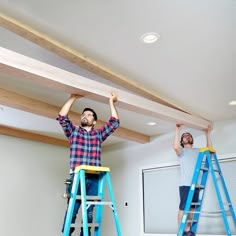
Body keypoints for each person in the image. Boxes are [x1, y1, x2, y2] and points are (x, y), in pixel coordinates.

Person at [57, 92, 120, 236]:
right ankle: (66, 234)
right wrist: (73, 98)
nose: (85, 116)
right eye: (83, 114)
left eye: (89, 115)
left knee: (89, 212)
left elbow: (114, 122)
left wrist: (111, 102)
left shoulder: (98, 135)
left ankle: (85, 234)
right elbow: (61, 117)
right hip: (77, 176)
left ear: (94, 122)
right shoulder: (73, 132)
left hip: (94, 178)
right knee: (72, 211)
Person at [173, 124, 212, 236]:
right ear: (182, 141)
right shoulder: (182, 151)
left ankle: (188, 230)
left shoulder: (198, 151)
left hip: (197, 185)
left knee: (192, 208)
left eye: (189, 136)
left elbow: (209, 150)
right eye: (185, 136)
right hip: (186, 184)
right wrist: (177, 131)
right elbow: (175, 147)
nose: (187, 137)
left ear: (192, 139)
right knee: (183, 207)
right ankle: (181, 231)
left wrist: (207, 134)